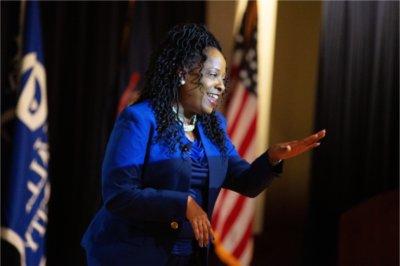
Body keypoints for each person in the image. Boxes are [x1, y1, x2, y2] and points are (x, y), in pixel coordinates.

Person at [81, 23, 326, 266]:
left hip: (189, 257)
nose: (221, 85)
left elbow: (246, 182)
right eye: (212, 75)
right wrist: (183, 203)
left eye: (223, 77)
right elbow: (119, 194)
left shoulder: (213, 125)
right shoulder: (140, 119)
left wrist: (272, 158)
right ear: (182, 73)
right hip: (132, 255)